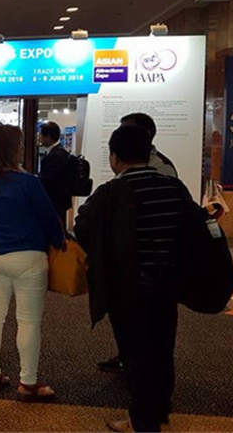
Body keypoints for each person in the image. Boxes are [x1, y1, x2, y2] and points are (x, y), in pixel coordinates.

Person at [74, 125, 189, 432]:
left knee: (136, 354)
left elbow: (82, 228)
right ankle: (159, 410)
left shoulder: (111, 192)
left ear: (114, 157)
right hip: (167, 285)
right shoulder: (174, 188)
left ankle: (142, 421)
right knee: (162, 347)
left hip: (127, 287)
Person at [0, 124, 64, 402]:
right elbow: (49, 219)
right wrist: (59, 242)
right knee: (28, 321)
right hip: (28, 257)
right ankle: (28, 382)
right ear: (13, 149)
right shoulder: (28, 182)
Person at [97, 112, 179, 375]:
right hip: (161, 272)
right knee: (155, 333)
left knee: (142, 333)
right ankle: (148, 379)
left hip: (134, 272)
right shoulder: (170, 184)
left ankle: (142, 387)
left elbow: (86, 226)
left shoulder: (117, 188)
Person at [121, 112, 177, 178]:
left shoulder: (162, 166)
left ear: (147, 133)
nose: (120, 135)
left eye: (127, 131)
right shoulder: (125, 159)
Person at [38, 121, 73, 224]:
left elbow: (48, 180)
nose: (40, 138)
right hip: (60, 201)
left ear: (48, 136)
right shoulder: (61, 152)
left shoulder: (55, 156)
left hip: (55, 201)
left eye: (41, 135)